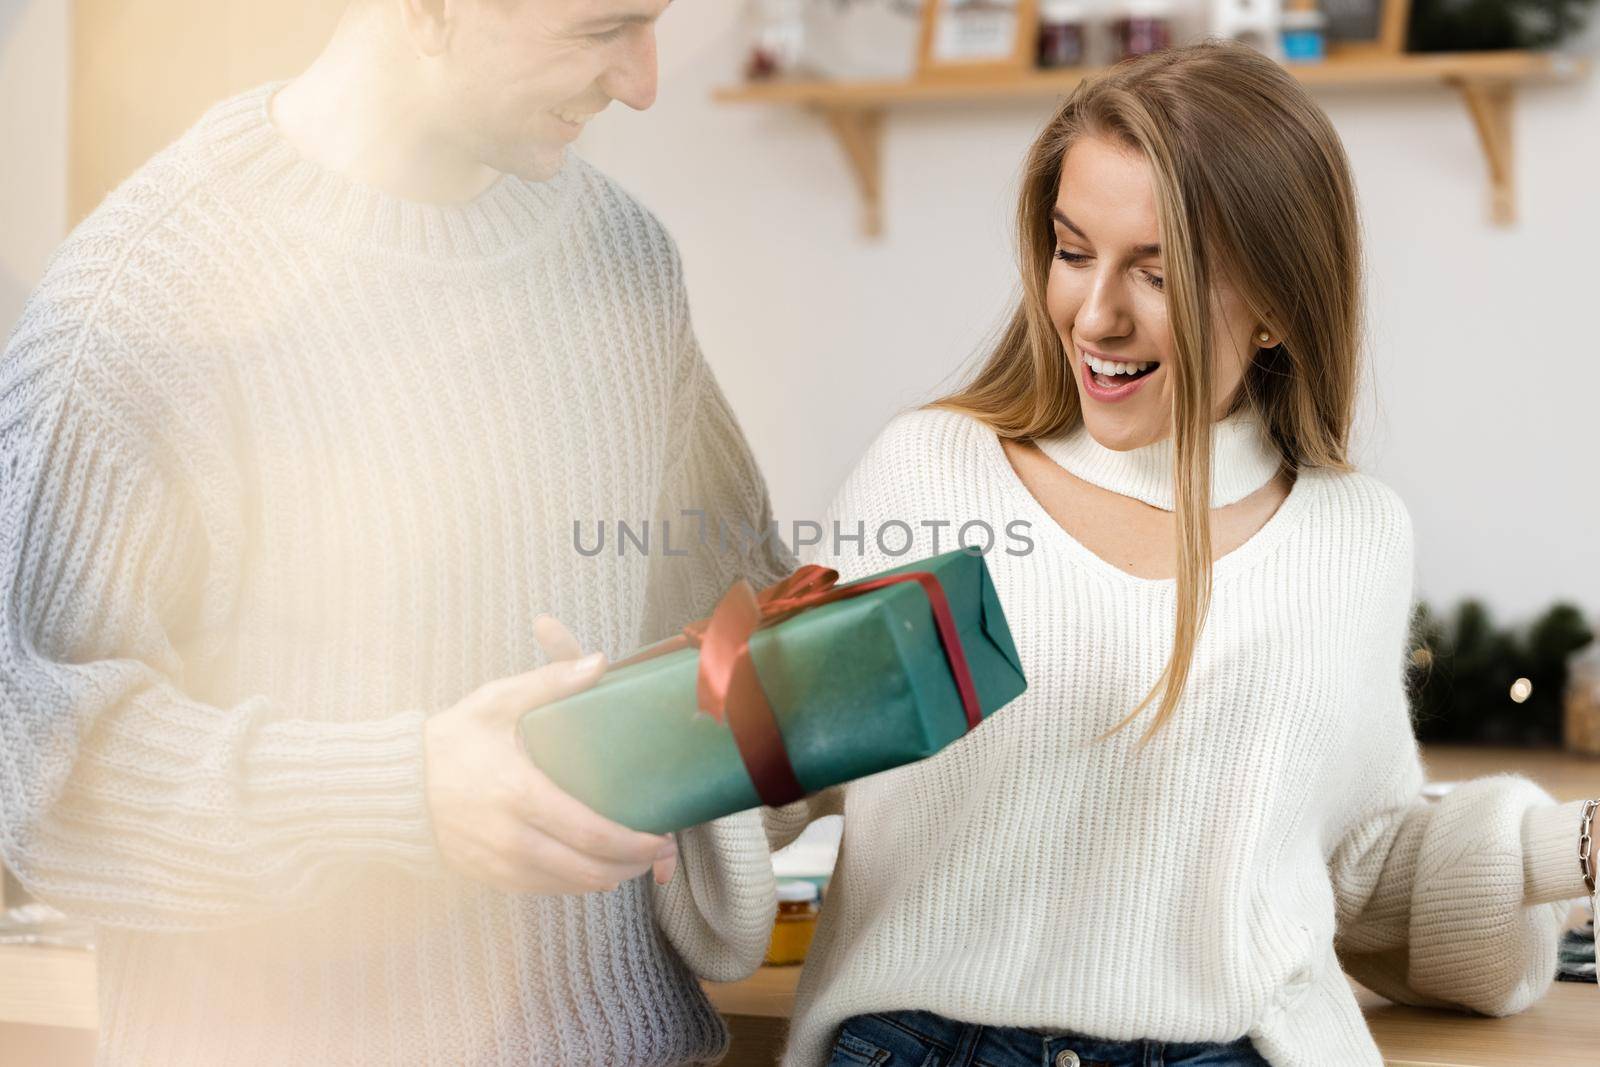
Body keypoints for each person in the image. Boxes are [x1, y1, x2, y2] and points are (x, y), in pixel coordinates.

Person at [763, 40, 1596, 1067]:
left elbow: (1349, 862)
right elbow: (767, 766)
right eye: (1073, 253)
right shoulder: (929, 475)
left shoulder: (1353, 533)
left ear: (1280, 309)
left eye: (1155, 272)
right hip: (927, 1042)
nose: (1097, 314)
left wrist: (1581, 846)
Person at [0, 1, 790, 1063]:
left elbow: (741, 622)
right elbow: (32, 769)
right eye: (601, 27)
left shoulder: (624, 263)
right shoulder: (134, 303)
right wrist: (403, 792)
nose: (644, 82)